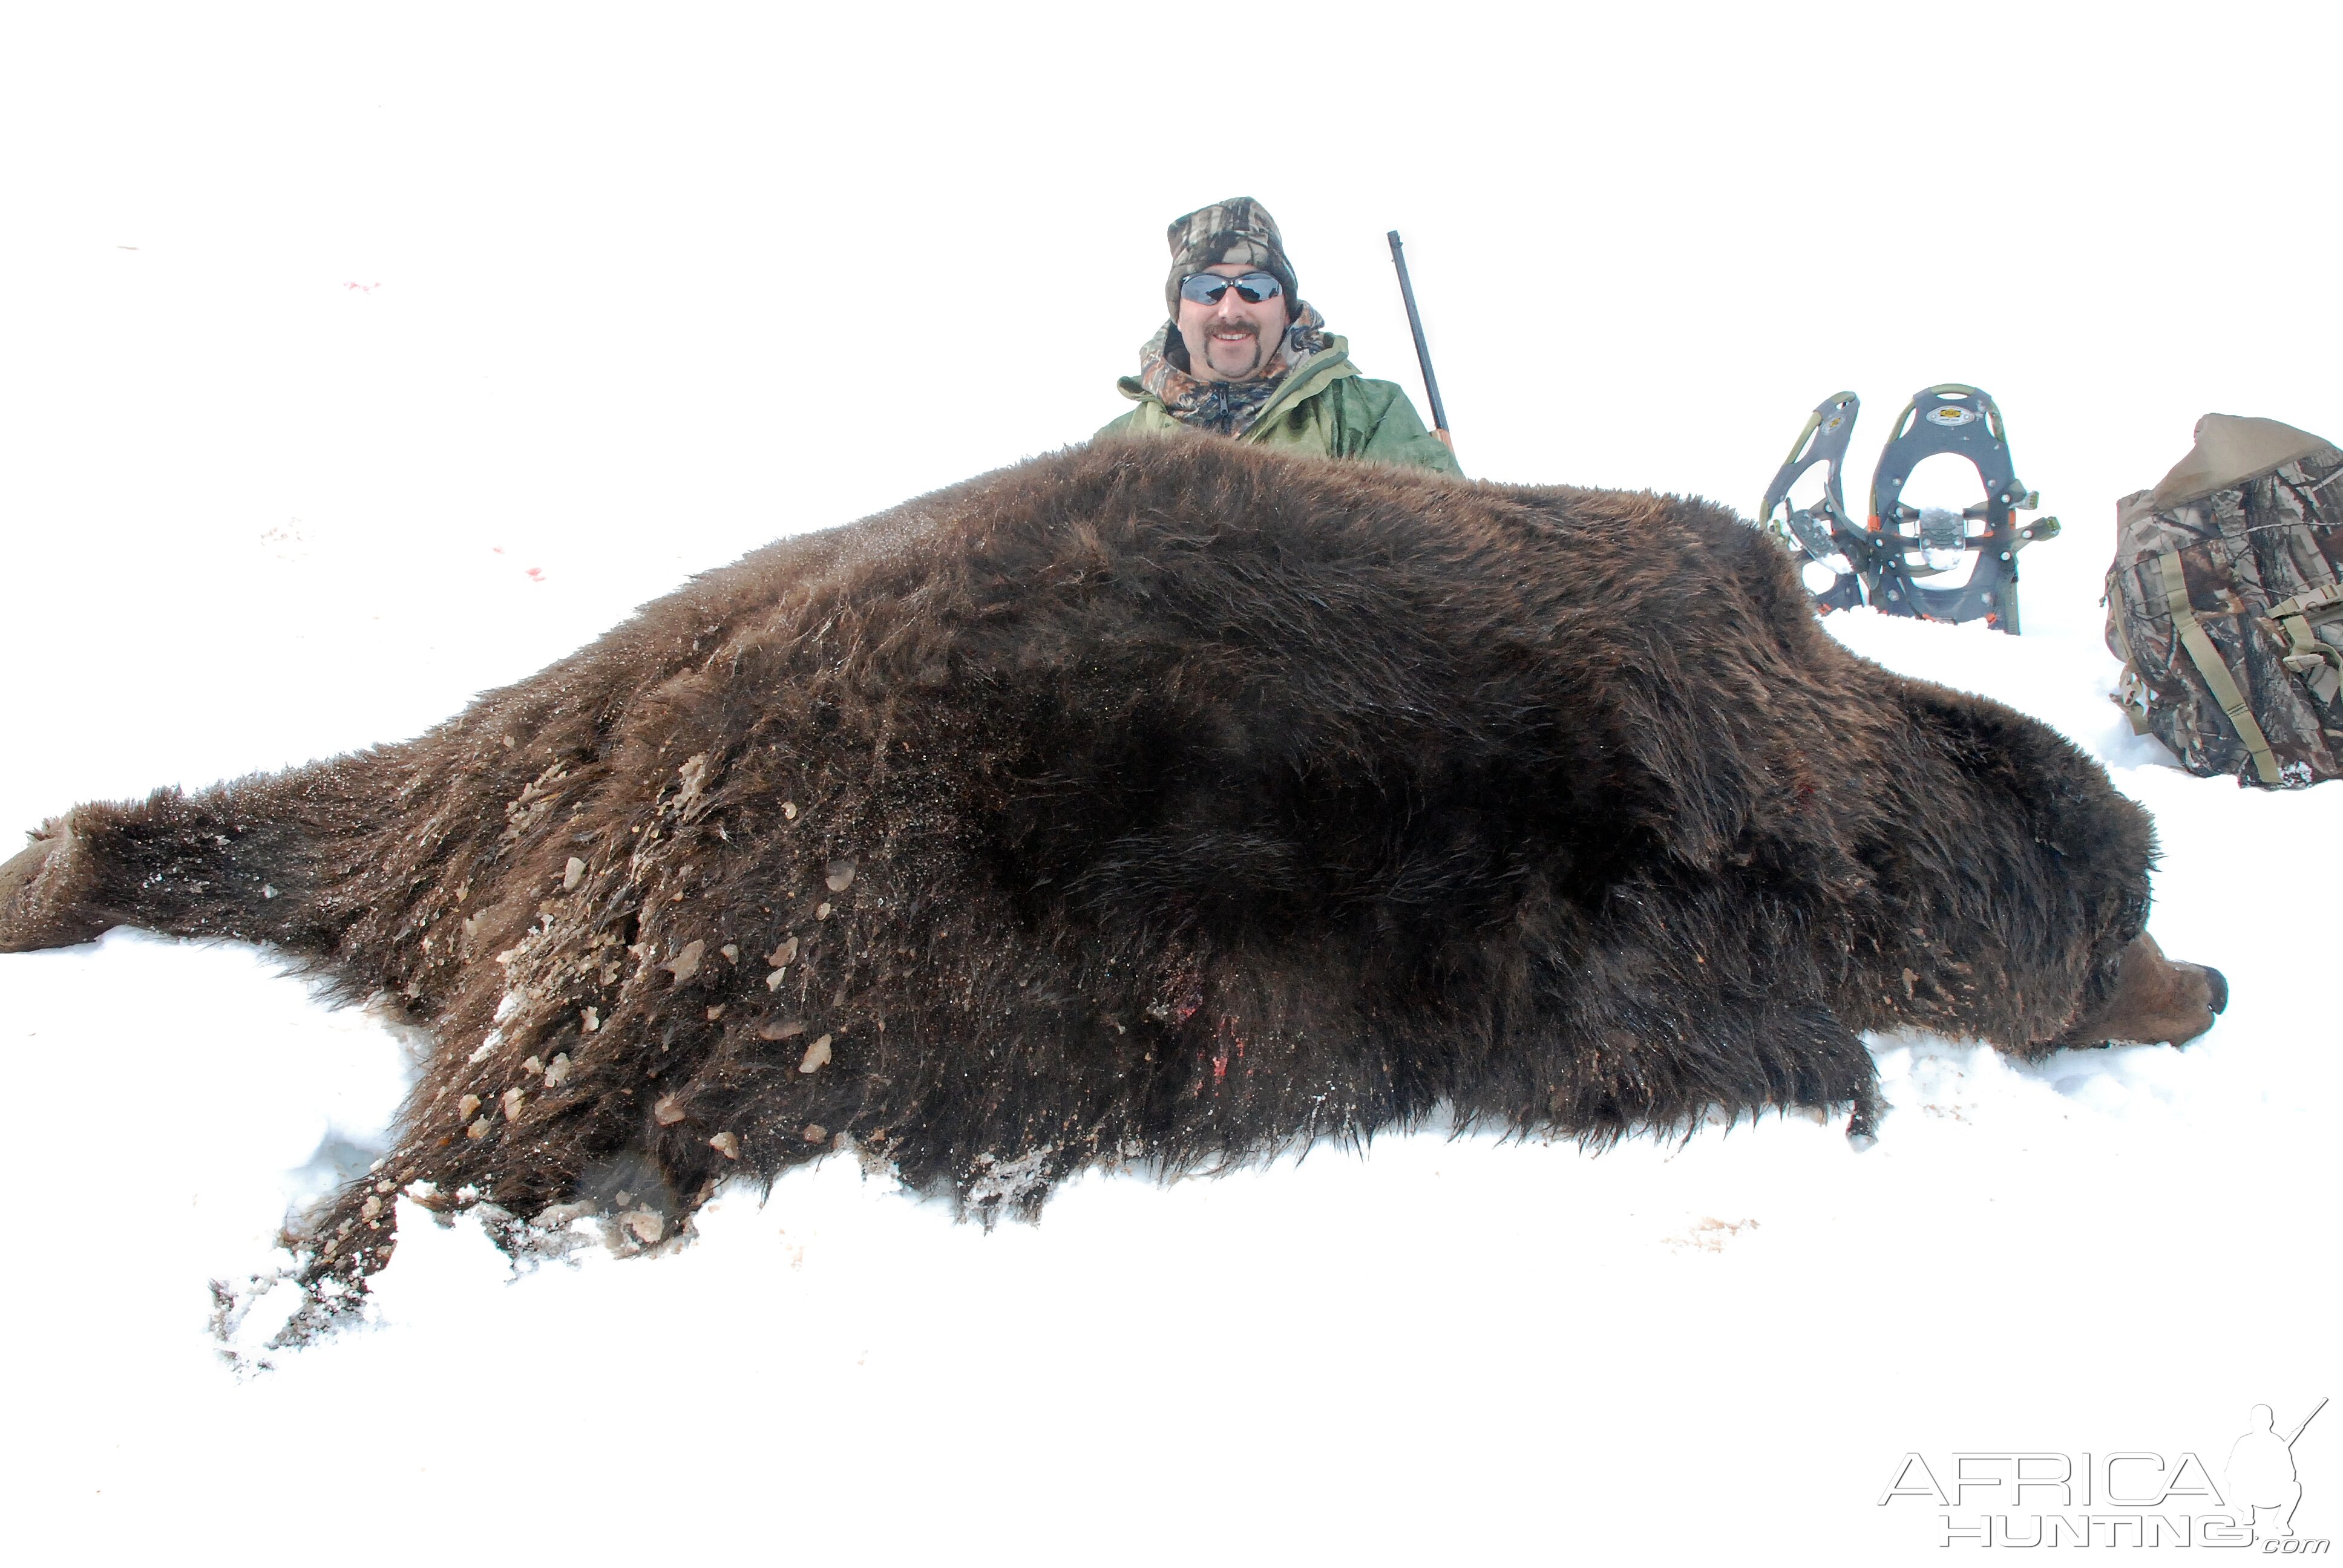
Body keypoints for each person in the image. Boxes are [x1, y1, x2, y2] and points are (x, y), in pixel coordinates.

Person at [1096, 197, 1461, 475]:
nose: (1230, 310)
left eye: (1255, 287)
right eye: (1206, 288)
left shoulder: (1371, 417)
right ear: (1178, 311)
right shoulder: (1111, 452)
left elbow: (1441, 553)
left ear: (1286, 307)